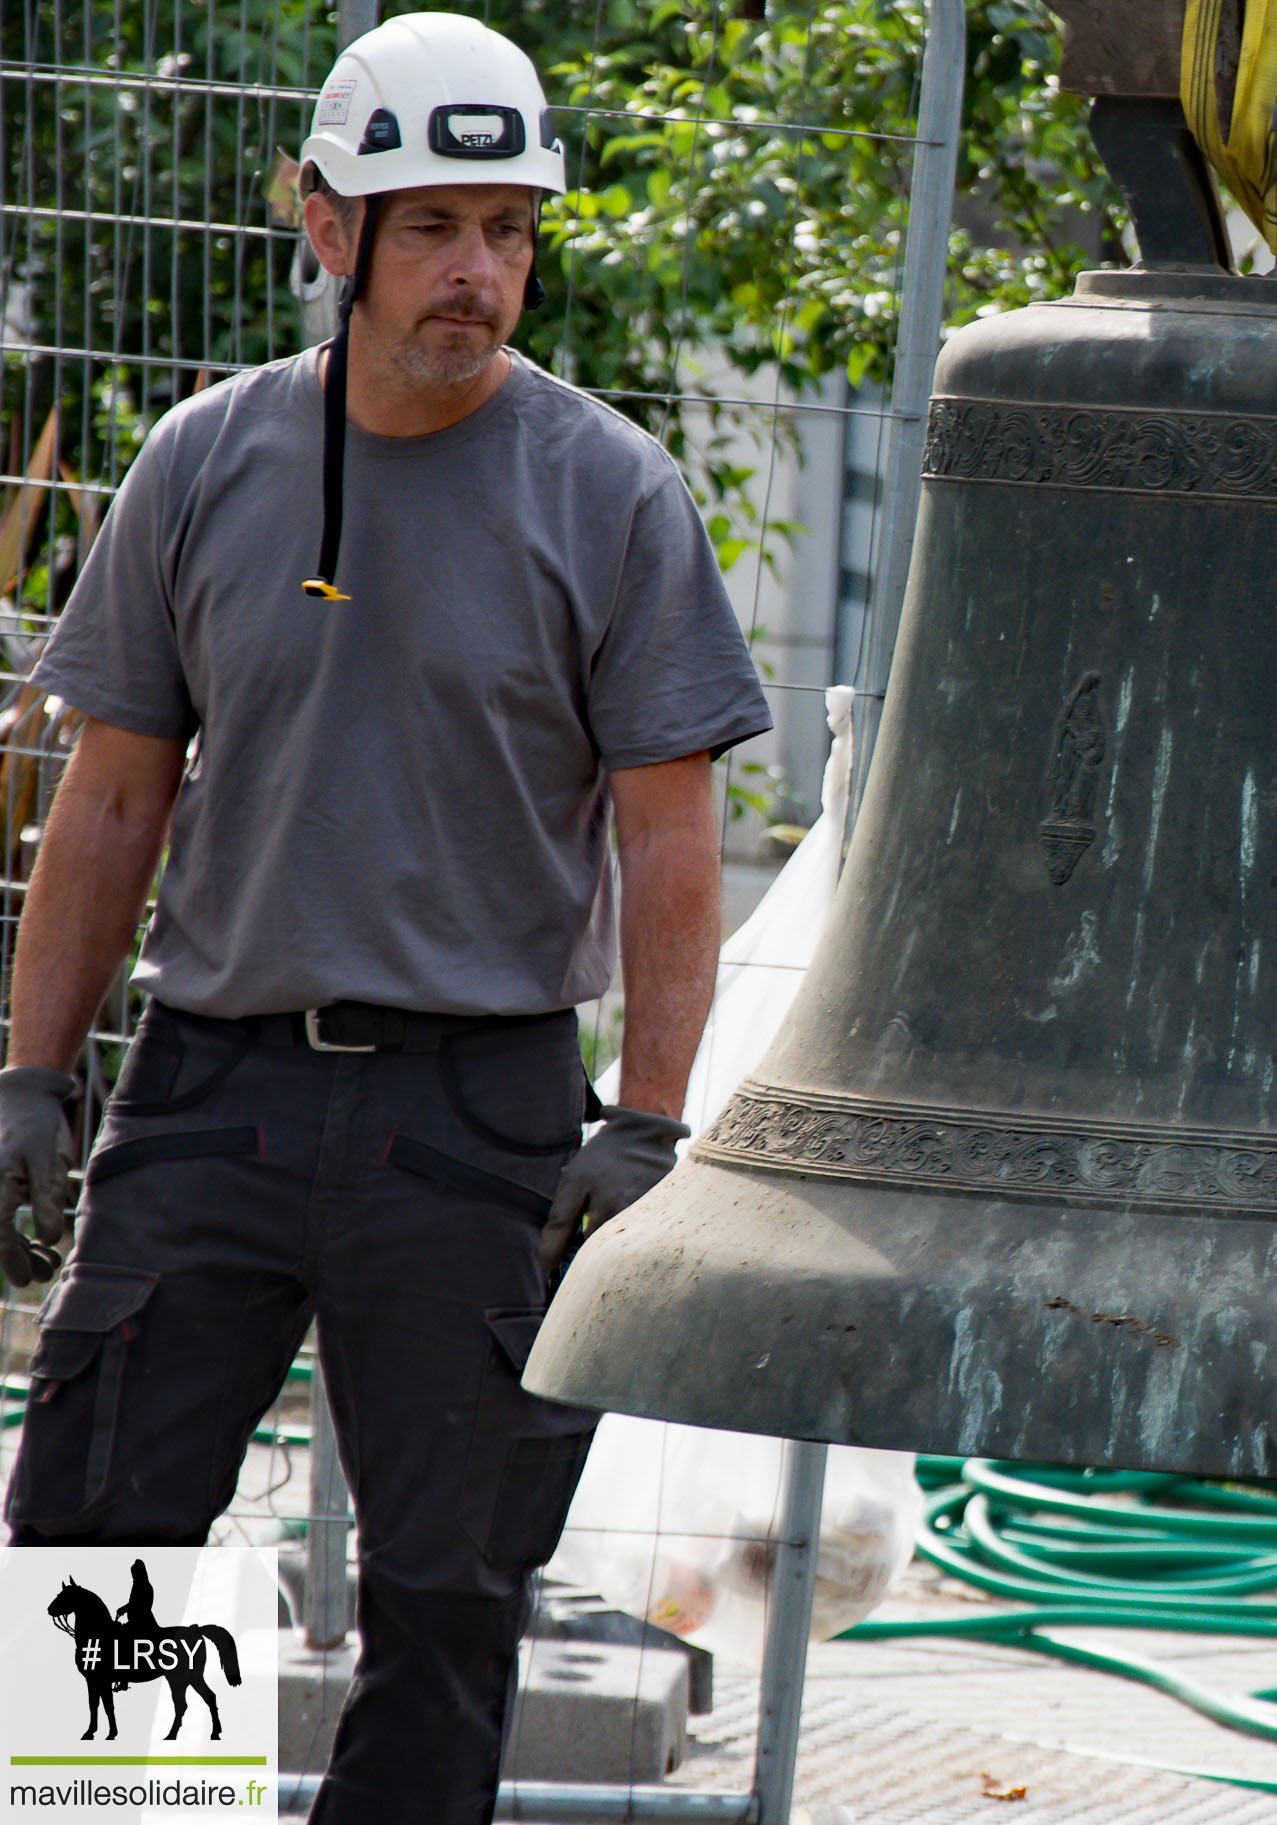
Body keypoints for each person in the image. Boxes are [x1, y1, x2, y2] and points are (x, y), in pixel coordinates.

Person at [0, 15, 769, 1821]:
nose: (478, 272)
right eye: (433, 225)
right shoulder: (202, 467)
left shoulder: (613, 496)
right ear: (326, 224)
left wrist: (649, 1122)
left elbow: (672, 843)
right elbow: (114, 795)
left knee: (450, 1592)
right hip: (215, 1089)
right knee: (101, 1540)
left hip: (478, 1111)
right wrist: (33, 1074)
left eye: (510, 228)